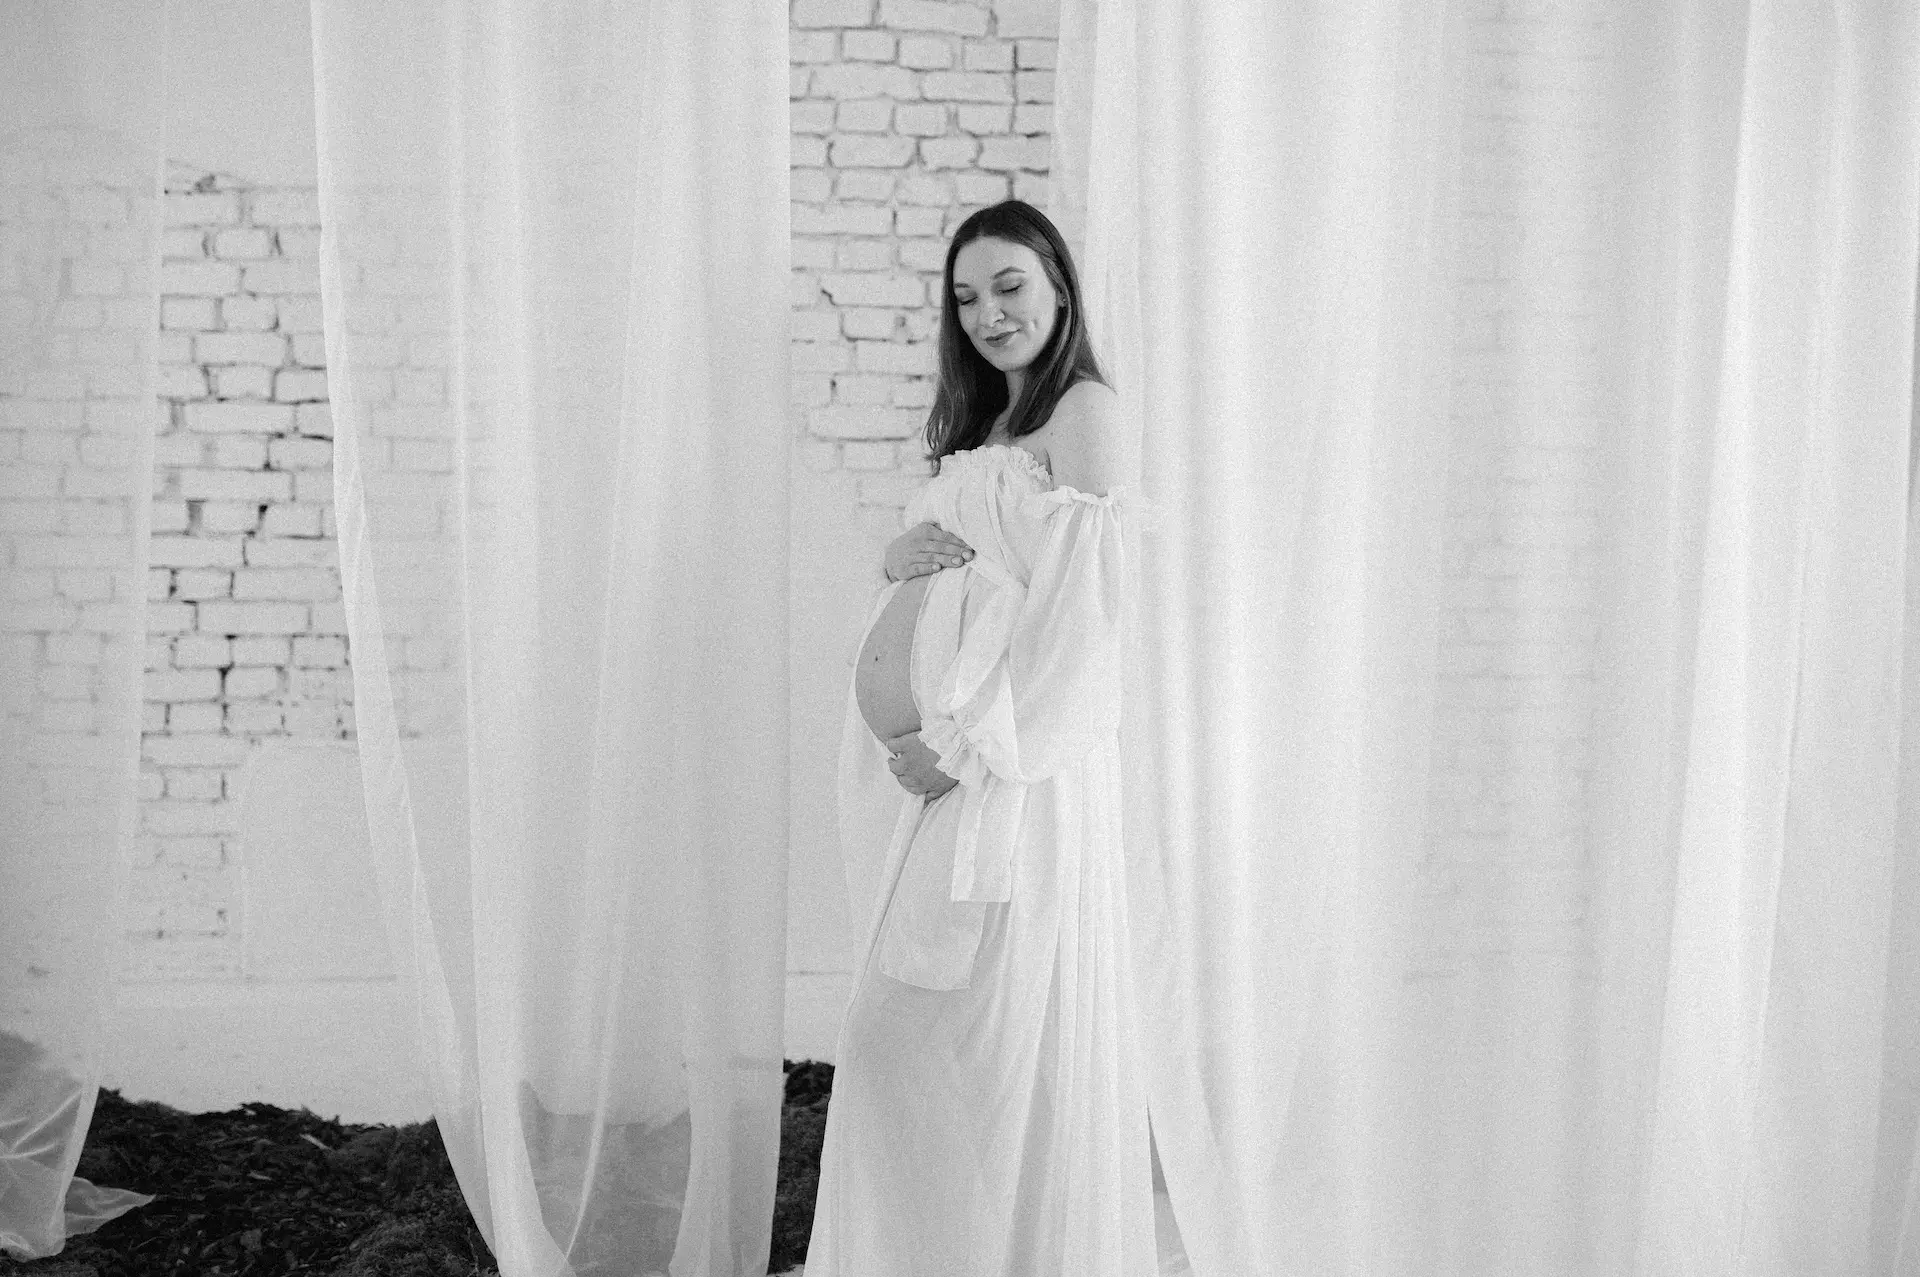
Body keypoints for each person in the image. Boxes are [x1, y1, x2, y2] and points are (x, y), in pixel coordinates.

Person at [807, 200, 1178, 1275]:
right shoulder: (990, 420)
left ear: (1058, 283)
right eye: (967, 297)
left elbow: (1084, 628)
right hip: (958, 775)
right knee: (925, 1044)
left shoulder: (1085, 412)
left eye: (1009, 286)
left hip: (1015, 775)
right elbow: (965, 567)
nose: (988, 313)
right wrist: (896, 556)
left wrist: (964, 746)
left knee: (959, 1037)